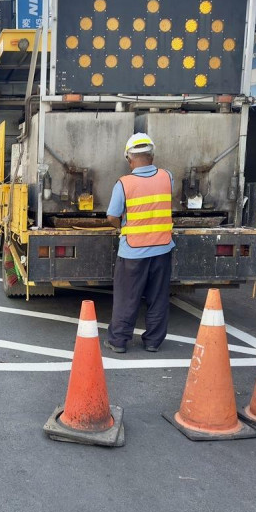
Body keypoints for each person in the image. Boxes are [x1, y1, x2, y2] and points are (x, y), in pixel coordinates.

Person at [104, 133, 174, 353]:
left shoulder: (124, 184)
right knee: (158, 297)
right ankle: (153, 341)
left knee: (127, 298)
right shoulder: (167, 177)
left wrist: (122, 227)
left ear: (129, 159)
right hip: (163, 248)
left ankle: (119, 342)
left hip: (133, 252)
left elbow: (112, 216)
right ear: (152, 156)